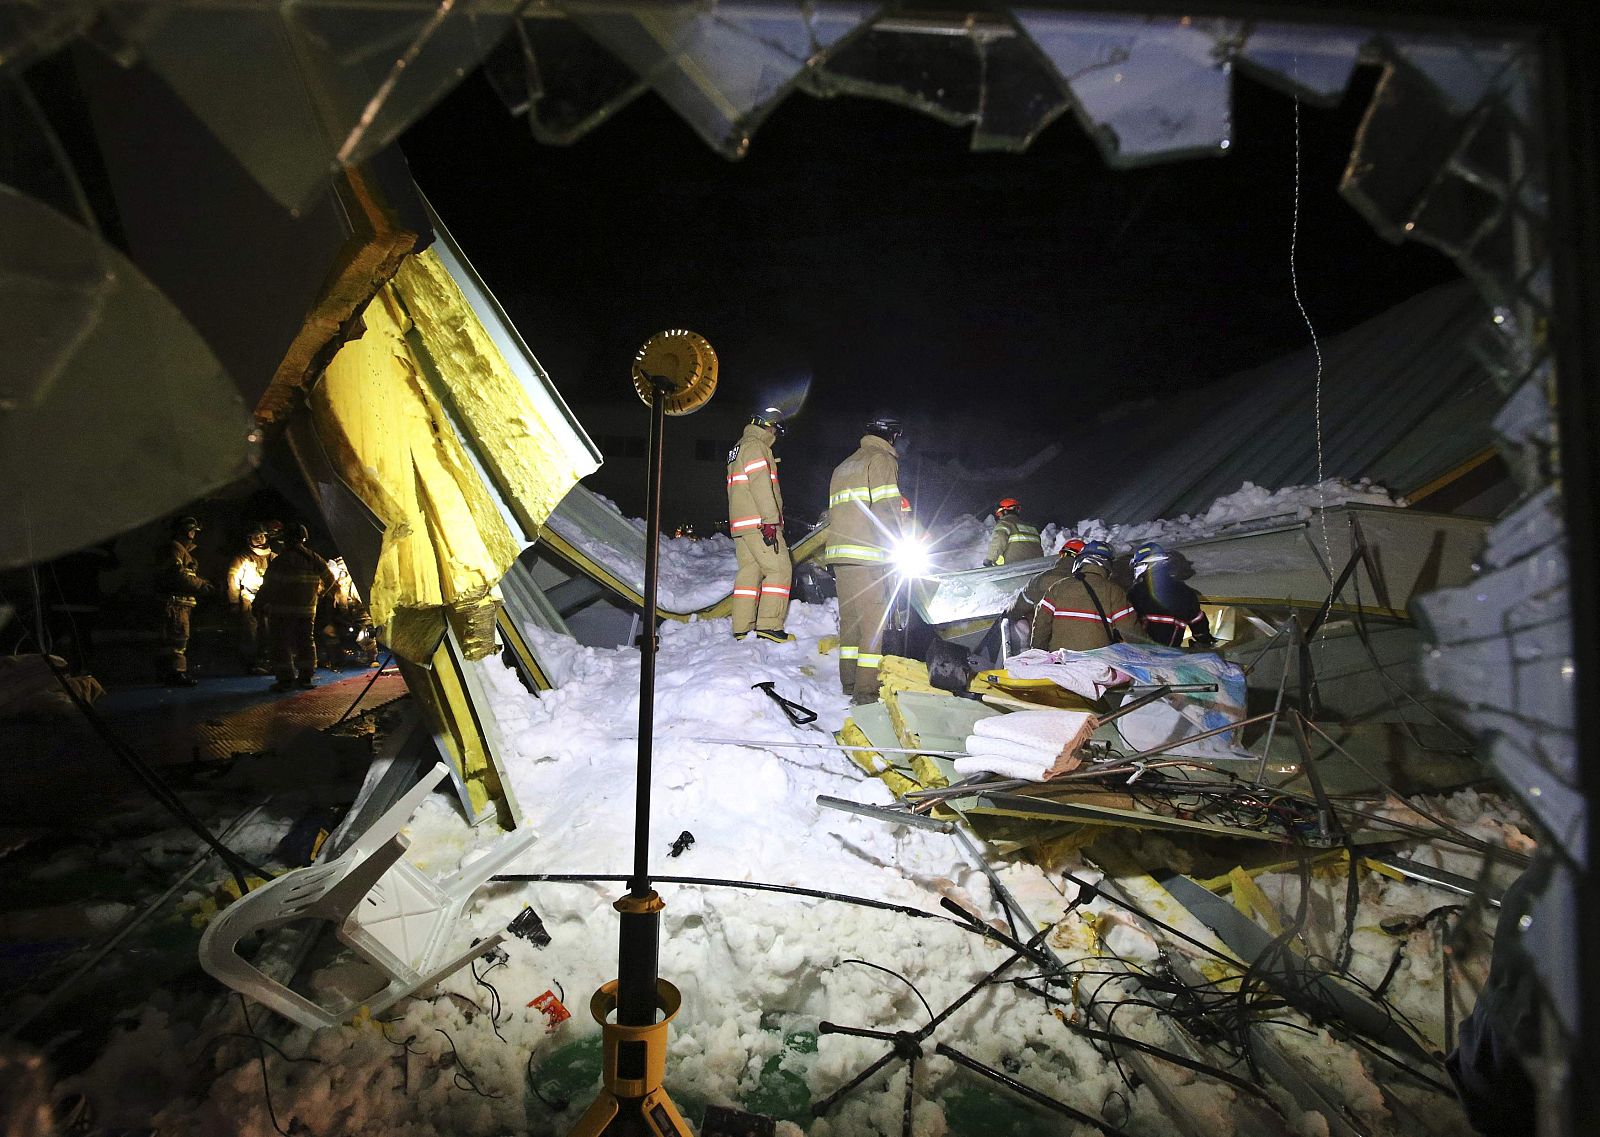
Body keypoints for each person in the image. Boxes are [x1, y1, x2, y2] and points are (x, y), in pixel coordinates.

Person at [825, 413, 911, 703]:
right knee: (873, 626)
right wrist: (899, 544)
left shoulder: (843, 466)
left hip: (841, 556)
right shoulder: (882, 460)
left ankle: (848, 682)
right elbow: (888, 509)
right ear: (892, 435)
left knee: (850, 624)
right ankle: (866, 692)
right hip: (869, 556)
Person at [726, 407, 793, 643]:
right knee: (779, 569)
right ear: (769, 425)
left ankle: (742, 628)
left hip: (742, 525)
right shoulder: (756, 446)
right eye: (776, 429)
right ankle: (769, 625)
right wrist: (770, 520)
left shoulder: (738, 447)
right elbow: (761, 485)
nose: (776, 434)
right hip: (759, 523)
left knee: (749, 573)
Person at [258, 524, 337, 691]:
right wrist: (319, 594)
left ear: (285, 541)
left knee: (281, 644)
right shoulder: (314, 559)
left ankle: (285, 680)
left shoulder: (279, 561)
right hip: (306, 610)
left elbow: (267, 586)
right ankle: (305, 678)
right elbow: (330, 580)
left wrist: (257, 605)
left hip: (281, 611)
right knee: (306, 642)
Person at [1031, 539, 1141, 651]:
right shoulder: (1115, 591)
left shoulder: (1057, 587)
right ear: (1108, 567)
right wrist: (1150, 650)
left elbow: (1041, 625)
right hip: (1097, 663)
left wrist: (1040, 652)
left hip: (1061, 662)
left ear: (1080, 561)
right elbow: (1131, 632)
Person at [156, 516, 213, 686]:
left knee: (176, 637)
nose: (195, 535)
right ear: (189, 532)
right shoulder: (175, 549)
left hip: (180, 603)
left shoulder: (180, 550)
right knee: (178, 638)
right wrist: (202, 585)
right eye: (194, 531)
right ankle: (176, 673)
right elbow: (178, 575)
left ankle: (170, 673)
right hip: (176, 604)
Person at [1127, 541, 1216, 647]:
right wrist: (1204, 640)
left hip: (1142, 653)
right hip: (1170, 654)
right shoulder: (1185, 592)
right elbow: (1198, 623)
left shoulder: (1136, 593)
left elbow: (1126, 624)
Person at [1004, 536, 1086, 650]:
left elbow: (1019, 607)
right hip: (1078, 646)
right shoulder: (1088, 584)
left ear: (1062, 555)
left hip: (1042, 645)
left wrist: (1007, 614)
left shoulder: (1040, 579)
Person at [226, 523, 275, 674]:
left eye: (262, 536)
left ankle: (268, 661)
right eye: (255, 537)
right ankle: (252, 663)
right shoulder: (242, 558)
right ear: (249, 539)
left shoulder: (274, 557)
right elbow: (233, 579)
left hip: (269, 601)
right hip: (249, 599)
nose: (259, 539)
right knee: (250, 632)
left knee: (269, 631)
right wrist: (234, 602)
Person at [982, 498, 1044, 566]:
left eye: (999, 514)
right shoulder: (1032, 528)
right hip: (1037, 568)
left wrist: (990, 559)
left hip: (1015, 569)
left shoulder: (1005, 524)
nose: (999, 517)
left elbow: (999, 539)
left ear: (1005, 511)